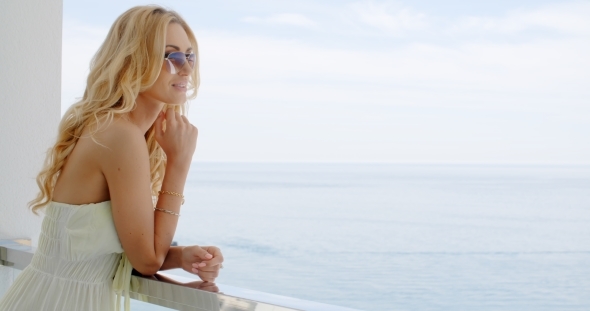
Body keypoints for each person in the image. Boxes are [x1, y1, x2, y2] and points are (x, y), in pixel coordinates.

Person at [0, 5, 223, 311]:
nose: (185, 68)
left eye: (189, 55)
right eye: (170, 56)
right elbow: (147, 261)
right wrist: (179, 162)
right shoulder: (120, 136)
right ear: (134, 61)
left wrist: (180, 256)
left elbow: (125, 251)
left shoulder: (120, 132)